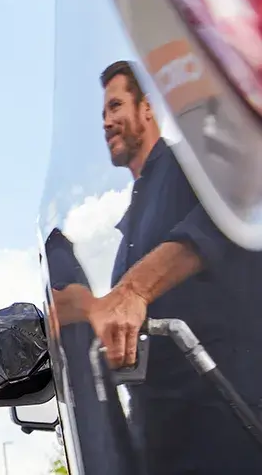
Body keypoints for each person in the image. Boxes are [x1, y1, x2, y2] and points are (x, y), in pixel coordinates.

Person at [83, 60, 262, 474]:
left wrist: (134, 290)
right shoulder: (130, 218)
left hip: (229, 428)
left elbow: (234, 207)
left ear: (148, 108)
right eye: (103, 114)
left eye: (115, 106)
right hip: (156, 441)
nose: (107, 122)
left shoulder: (191, 166)